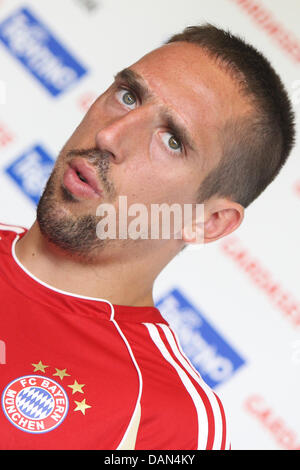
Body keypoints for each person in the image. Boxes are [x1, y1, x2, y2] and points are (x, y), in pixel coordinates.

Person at [0, 23, 295, 450]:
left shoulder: (169, 423)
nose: (109, 135)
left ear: (208, 222)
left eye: (172, 140)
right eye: (127, 96)